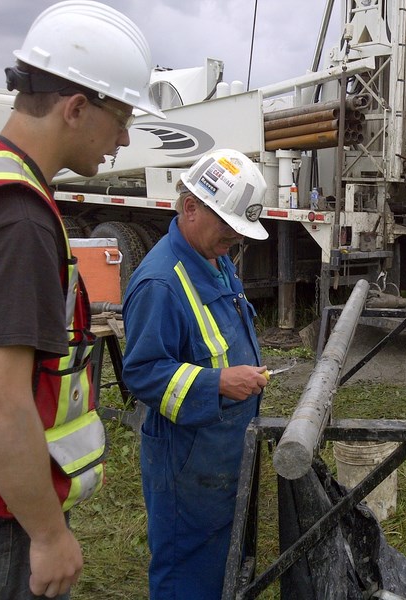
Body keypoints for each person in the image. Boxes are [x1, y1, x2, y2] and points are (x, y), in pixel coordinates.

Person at [0, 2, 161, 599]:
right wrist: (48, 536)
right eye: (121, 117)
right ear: (76, 108)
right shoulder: (17, 219)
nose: (124, 138)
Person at [121, 149, 271, 600]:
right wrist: (219, 384)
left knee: (226, 562)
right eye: (228, 229)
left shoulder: (214, 256)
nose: (234, 242)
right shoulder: (160, 284)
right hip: (186, 462)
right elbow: (143, 374)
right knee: (188, 572)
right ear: (190, 208)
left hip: (223, 449)